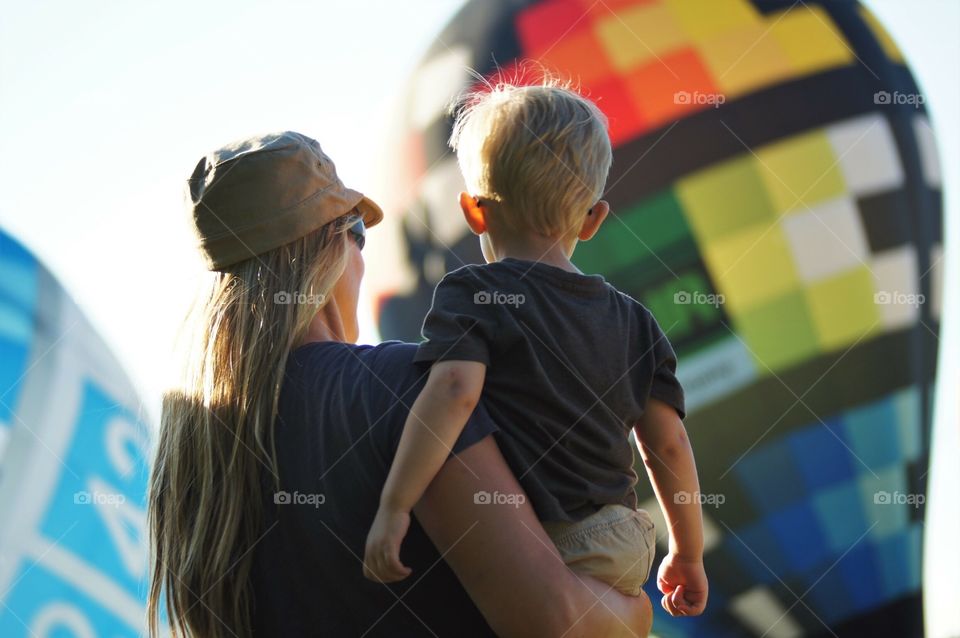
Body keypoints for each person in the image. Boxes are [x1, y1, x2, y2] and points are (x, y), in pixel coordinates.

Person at [146, 131, 653, 637]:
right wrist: (639, 611)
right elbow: (556, 620)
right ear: (332, 245)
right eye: (357, 232)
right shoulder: (406, 388)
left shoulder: (193, 463)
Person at [364, 82, 708, 617]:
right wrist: (688, 553)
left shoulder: (474, 291)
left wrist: (394, 505)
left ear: (473, 212)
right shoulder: (635, 319)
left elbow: (453, 391)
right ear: (593, 219)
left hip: (544, 536)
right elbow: (669, 444)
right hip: (624, 539)